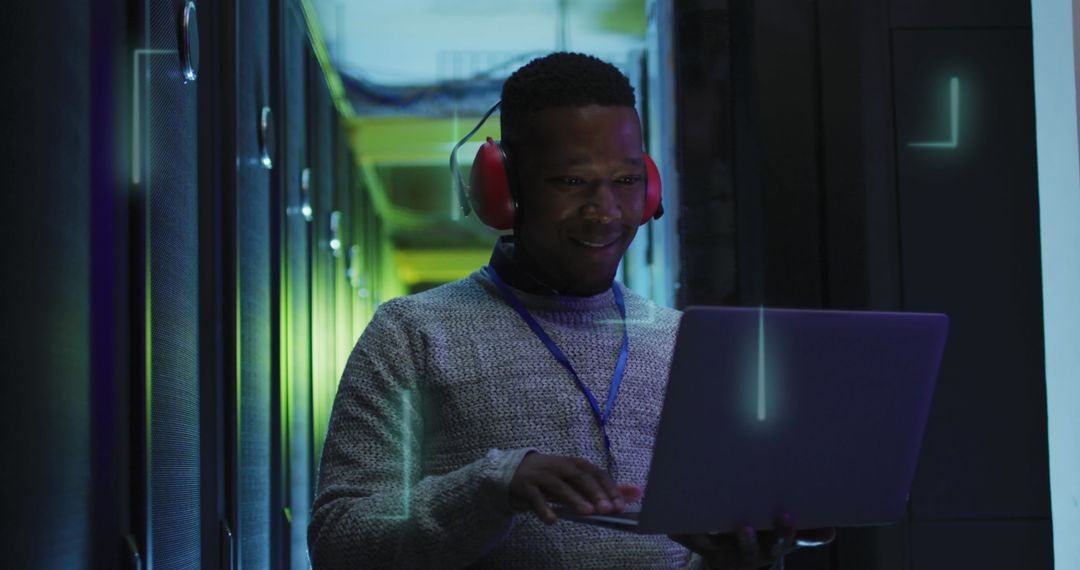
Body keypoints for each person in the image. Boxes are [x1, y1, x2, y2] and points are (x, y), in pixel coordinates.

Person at [308, 52, 833, 569]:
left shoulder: (685, 343)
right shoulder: (409, 334)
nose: (605, 212)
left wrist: (739, 561)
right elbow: (340, 542)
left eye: (626, 182)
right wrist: (493, 486)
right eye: (571, 181)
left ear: (650, 188)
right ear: (503, 188)